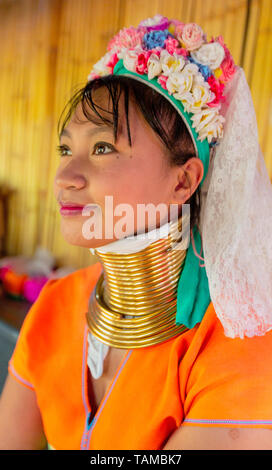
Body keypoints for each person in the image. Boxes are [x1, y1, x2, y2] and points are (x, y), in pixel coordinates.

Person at [1, 14, 272, 451]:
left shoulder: (240, 339)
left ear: (182, 181)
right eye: (66, 148)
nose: (65, 175)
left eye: (103, 147)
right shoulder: (56, 305)